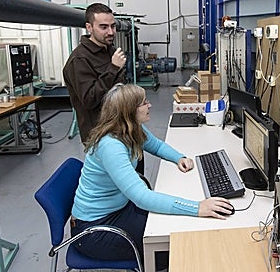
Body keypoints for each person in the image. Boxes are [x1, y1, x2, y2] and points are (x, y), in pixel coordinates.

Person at [70, 83, 233, 263]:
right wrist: (197, 207)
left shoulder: (129, 129)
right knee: (171, 249)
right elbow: (141, 197)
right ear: (129, 111)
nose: (150, 105)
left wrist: (179, 158)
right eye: (144, 103)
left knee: (173, 227)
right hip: (95, 230)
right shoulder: (111, 146)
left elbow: (155, 145)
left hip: (119, 209)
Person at [62, 2, 127, 145]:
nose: (110, 32)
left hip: (121, 127)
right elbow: (89, 99)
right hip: (101, 135)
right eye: (103, 27)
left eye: (113, 26)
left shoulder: (109, 49)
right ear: (89, 28)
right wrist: (113, 68)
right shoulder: (79, 59)